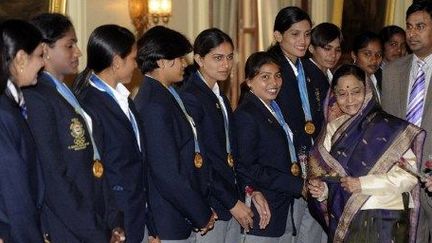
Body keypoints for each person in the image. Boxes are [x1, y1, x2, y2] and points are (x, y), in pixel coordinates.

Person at [24, 13, 124, 242]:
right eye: (69, 45)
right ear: (44, 49)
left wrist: (113, 219)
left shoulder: (65, 94)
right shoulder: (37, 97)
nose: (78, 52)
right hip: (69, 227)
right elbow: (55, 177)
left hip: (95, 218)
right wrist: (95, 231)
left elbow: (95, 162)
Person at [308, 64, 423, 243]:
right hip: (346, 218)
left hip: (386, 218)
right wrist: (322, 191)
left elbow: (409, 177)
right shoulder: (332, 130)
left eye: (356, 92)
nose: (350, 99)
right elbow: (332, 177)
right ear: (334, 96)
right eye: (342, 94)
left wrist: (362, 184)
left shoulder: (388, 128)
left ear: (368, 90)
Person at [72, 25, 156, 243]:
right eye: (133, 59)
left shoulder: (125, 99)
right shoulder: (90, 103)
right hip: (115, 219)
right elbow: (94, 171)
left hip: (137, 214)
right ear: (117, 61)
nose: (137, 66)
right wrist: (111, 223)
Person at [134, 25, 217, 243]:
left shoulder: (167, 94)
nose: (185, 63)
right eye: (180, 58)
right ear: (161, 62)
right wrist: (200, 213)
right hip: (169, 219)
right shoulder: (154, 104)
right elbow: (167, 172)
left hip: (181, 213)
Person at [180, 28, 261, 243]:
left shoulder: (219, 96)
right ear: (199, 59)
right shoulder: (191, 97)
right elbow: (201, 161)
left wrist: (247, 190)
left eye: (229, 57)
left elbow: (230, 152)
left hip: (230, 199)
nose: (225, 64)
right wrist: (232, 202)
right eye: (217, 58)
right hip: (211, 205)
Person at [267, 6, 328, 243]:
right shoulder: (268, 69)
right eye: (295, 34)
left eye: (307, 34)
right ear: (278, 36)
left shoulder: (313, 70)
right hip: (283, 168)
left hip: (313, 165)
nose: (303, 41)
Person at [235, 52, 305, 242]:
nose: (274, 82)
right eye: (265, 77)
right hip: (262, 209)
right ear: (249, 81)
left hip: (283, 205)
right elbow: (248, 166)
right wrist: (297, 185)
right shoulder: (247, 114)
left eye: (277, 75)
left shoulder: (274, 107)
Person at [382, 1, 432, 242]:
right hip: (398, 179)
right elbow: (386, 126)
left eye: (420, 26)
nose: (412, 33)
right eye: (409, 27)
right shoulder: (392, 71)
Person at [0, 19, 44, 243]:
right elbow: (14, 193)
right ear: (20, 58)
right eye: (39, 55)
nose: (43, 64)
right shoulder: (4, 112)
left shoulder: (13, 105)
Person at [351, 31, 383, 100]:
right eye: (367, 54)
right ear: (354, 55)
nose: (374, 60)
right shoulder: (346, 81)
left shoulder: (382, 77)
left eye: (379, 54)